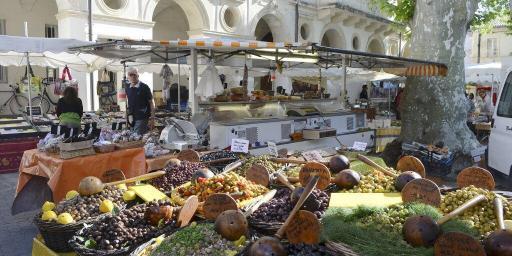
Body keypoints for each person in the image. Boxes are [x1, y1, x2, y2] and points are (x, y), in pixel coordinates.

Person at [126, 67, 155, 135]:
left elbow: (151, 103)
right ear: (128, 77)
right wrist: (126, 115)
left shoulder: (144, 87)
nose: (133, 76)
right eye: (130, 75)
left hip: (142, 117)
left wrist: (152, 119)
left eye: (134, 75)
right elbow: (129, 102)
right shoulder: (127, 88)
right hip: (131, 117)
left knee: (137, 137)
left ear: (138, 75)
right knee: (135, 138)